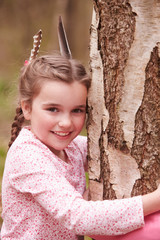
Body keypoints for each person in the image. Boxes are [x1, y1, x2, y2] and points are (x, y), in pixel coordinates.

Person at [1, 29, 160, 240]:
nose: (66, 123)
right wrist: (156, 199)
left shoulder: (71, 147)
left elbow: (116, 150)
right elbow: (78, 216)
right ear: (27, 108)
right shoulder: (27, 156)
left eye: (77, 110)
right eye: (53, 109)